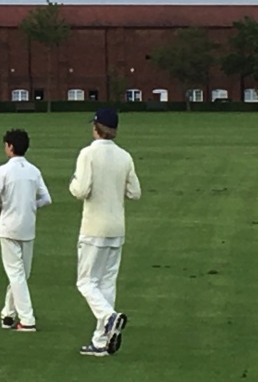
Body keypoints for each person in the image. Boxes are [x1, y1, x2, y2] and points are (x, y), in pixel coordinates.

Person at [69, 107, 141, 356]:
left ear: (96, 128)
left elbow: (81, 190)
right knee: (107, 283)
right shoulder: (125, 156)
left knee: (86, 282)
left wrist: (72, 184)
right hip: (117, 228)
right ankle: (101, 340)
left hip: (93, 227)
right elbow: (135, 192)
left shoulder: (88, 154)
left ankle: (109, 318)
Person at [0, 128, 52, 332]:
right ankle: (8, 314)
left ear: (10, 147)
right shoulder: (34, 171)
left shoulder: (3, 171)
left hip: (8, 227)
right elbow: (46, 199)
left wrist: (1, 206)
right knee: (21, 273)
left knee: (17, 274)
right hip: (28, 226)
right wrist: (30, 206)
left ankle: (27, 320)